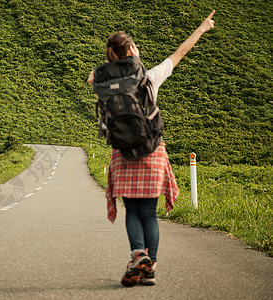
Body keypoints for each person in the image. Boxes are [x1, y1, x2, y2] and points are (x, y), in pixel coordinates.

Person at [87, 10, 216, 286]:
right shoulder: (150, 77)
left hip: (123, 154)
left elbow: (90, 78)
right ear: (132, 49)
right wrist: (202, 28)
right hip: (152, 151)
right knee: (149, 214)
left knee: (132, 212)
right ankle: (150, 267)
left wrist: (111, 68)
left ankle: (137, 255)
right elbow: (179, 53)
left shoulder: (104, 84)